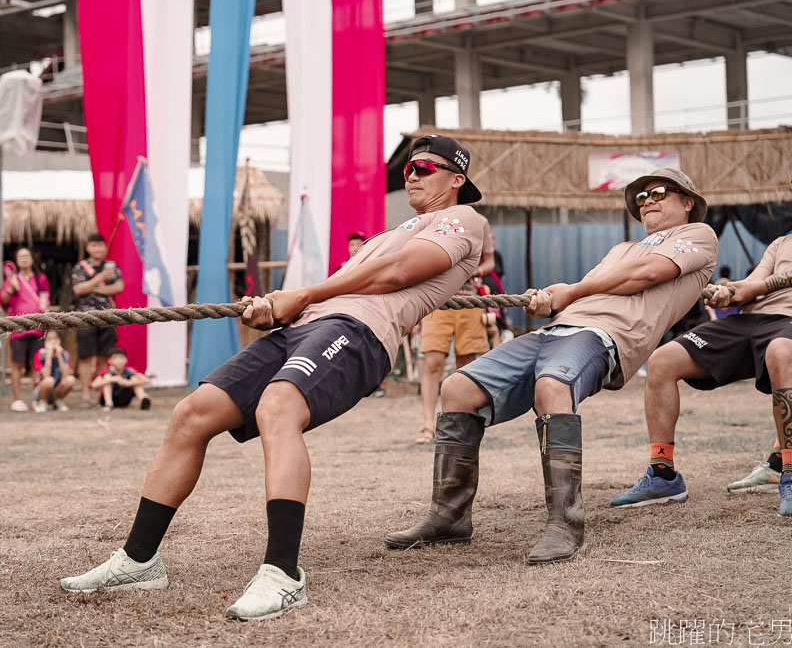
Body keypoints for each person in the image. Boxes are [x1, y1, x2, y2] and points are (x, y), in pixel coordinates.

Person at [59, 134, 487, 621]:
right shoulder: (401, 227)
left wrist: (300, 294)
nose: (412, 174)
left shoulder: (464, 219)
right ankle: (138, 561)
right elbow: (352, 283)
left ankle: (283, 574)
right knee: (191, 413)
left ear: (456, 180)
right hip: (308, 326)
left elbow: (394, 275)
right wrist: (280, 309)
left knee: (277, 407)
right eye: (409, 168)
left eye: (426, 167)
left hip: (359, 333)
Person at [385, 167, 718, 565]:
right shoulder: (619, 249)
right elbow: (584, 296)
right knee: (457, 388)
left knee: (551, 387)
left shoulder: (698, 236)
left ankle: (565, 523)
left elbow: (645, 274)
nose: (648, 200)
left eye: (660, 192)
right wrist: (548, 302)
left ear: (688, 203)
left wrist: (572, 290)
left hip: (605, 336)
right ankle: (449, 517)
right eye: (642, 196)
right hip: (559, 331)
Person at [610, 233, 792, 517]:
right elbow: (751, 285)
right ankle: (663, 475)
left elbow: (771, 281)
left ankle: (790, 474)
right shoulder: (782, 243)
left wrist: (752, 286)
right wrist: (730, 291)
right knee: (663, 360)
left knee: (781, 351)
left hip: (789, 323)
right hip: (749, 320)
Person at [416, 219, 494, 443]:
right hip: (437, 300)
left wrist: (476, 270)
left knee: (466, 363)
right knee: (432, 362)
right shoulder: (433, 220)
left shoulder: (480, 222)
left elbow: (490, 261)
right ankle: (428, 426)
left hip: (469, 300)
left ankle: (463, 424)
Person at [71, 233, 124, 407]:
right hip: (84, 317)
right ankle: (85, 394)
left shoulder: (111, 265)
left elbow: (119, 287)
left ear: (104, 247)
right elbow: (78, 289)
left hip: (108, 316)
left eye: (100, 245)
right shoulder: (80, 267)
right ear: (88, 248)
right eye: (94, 245)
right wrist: (99, 280)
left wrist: (93, 288)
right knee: (86, 357)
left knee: (104, 357)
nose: (98, 249)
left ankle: (102, 394)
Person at [1, 247, 50, 412]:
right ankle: (17, 400)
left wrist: (44, 316)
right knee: (17, 365)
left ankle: (36, 399)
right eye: (20, 256)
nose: (24, 258)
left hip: (37, 327)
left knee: (36, 365)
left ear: (32, 258)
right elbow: (4, 302)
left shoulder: (40, 278)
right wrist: (11, 288)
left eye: (26, 255)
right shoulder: (12, 279)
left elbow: (45, 299)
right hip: (17, 327)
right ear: (16, 260)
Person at [91, 347, 151, 412]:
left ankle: (143, 398)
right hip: (109, 397)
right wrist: (113, 379)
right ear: (110, 361)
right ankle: (109, 404)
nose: (119, 360)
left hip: (124, 398)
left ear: (126, 360)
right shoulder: (107, 371)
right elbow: (93, 385)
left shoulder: (129, 370)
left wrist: (129, 383)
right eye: (115, 358)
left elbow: (147, 380)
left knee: (134, 379)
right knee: (107, 378)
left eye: (121, 358)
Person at [32, 330, 76, 412]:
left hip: (56, 390)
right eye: (50, 339)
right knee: (49, 380)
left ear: (60, 340)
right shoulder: (40, 354)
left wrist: (59, 355)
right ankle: (42, 402)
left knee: (71, 379)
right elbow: (45, 376)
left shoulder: (64, 354)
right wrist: (49, 354)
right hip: (41, 390)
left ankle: (57, 401)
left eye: (56, 338)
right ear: (45, 341)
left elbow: (65, 375)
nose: (53, 341)